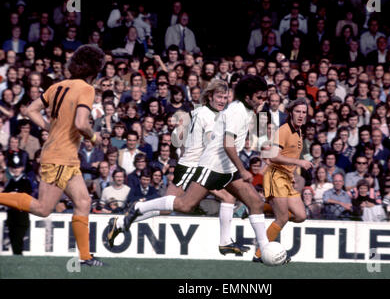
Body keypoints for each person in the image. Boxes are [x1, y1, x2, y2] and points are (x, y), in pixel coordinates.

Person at [108, 75, 277, 264]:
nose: (263, 101)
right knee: (185, 205)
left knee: (254, 202)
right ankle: (139, 208)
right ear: (247, 97)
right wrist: (243, 169)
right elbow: (224, 144)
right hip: (206, 165)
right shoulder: (215, 113)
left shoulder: (239, 111)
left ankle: (261, 249)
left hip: (223, 165)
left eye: (225, 97)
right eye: (260, 97)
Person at [0, 44, 105, 266]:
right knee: (43, 208)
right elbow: (81, 123)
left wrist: (48, 126)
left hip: (63, 156)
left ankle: (85, 256)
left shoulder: (57, 86)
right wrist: (94, 138)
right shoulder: (86, 89)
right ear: (94, 71)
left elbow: (29, 110)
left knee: (84, 201)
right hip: (60, 157)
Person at [253, 98, 312, 261]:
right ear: (291, 113)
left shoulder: (299, 131)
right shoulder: (284, 130)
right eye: (298, 111)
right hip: (275, 177)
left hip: (287, 178)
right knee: (283, 218)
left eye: (304, 112)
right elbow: (273, 156)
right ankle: (259, 254)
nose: (301, 115)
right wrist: (298, 162)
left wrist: (291, 172)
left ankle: (261, 206)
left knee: (301, 216)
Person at [5, 157, 32, 255]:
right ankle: (16, 255)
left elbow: (27, 196)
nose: (16, 169)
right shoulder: (11, 182)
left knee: (19, 238)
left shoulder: (26, 182)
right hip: (12, 216)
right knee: (12, 237)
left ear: (22, 168)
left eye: (18, 167)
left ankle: (18, 255)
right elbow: (5, 195)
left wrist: (14, 196)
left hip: (21, 216)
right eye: (14, 167)